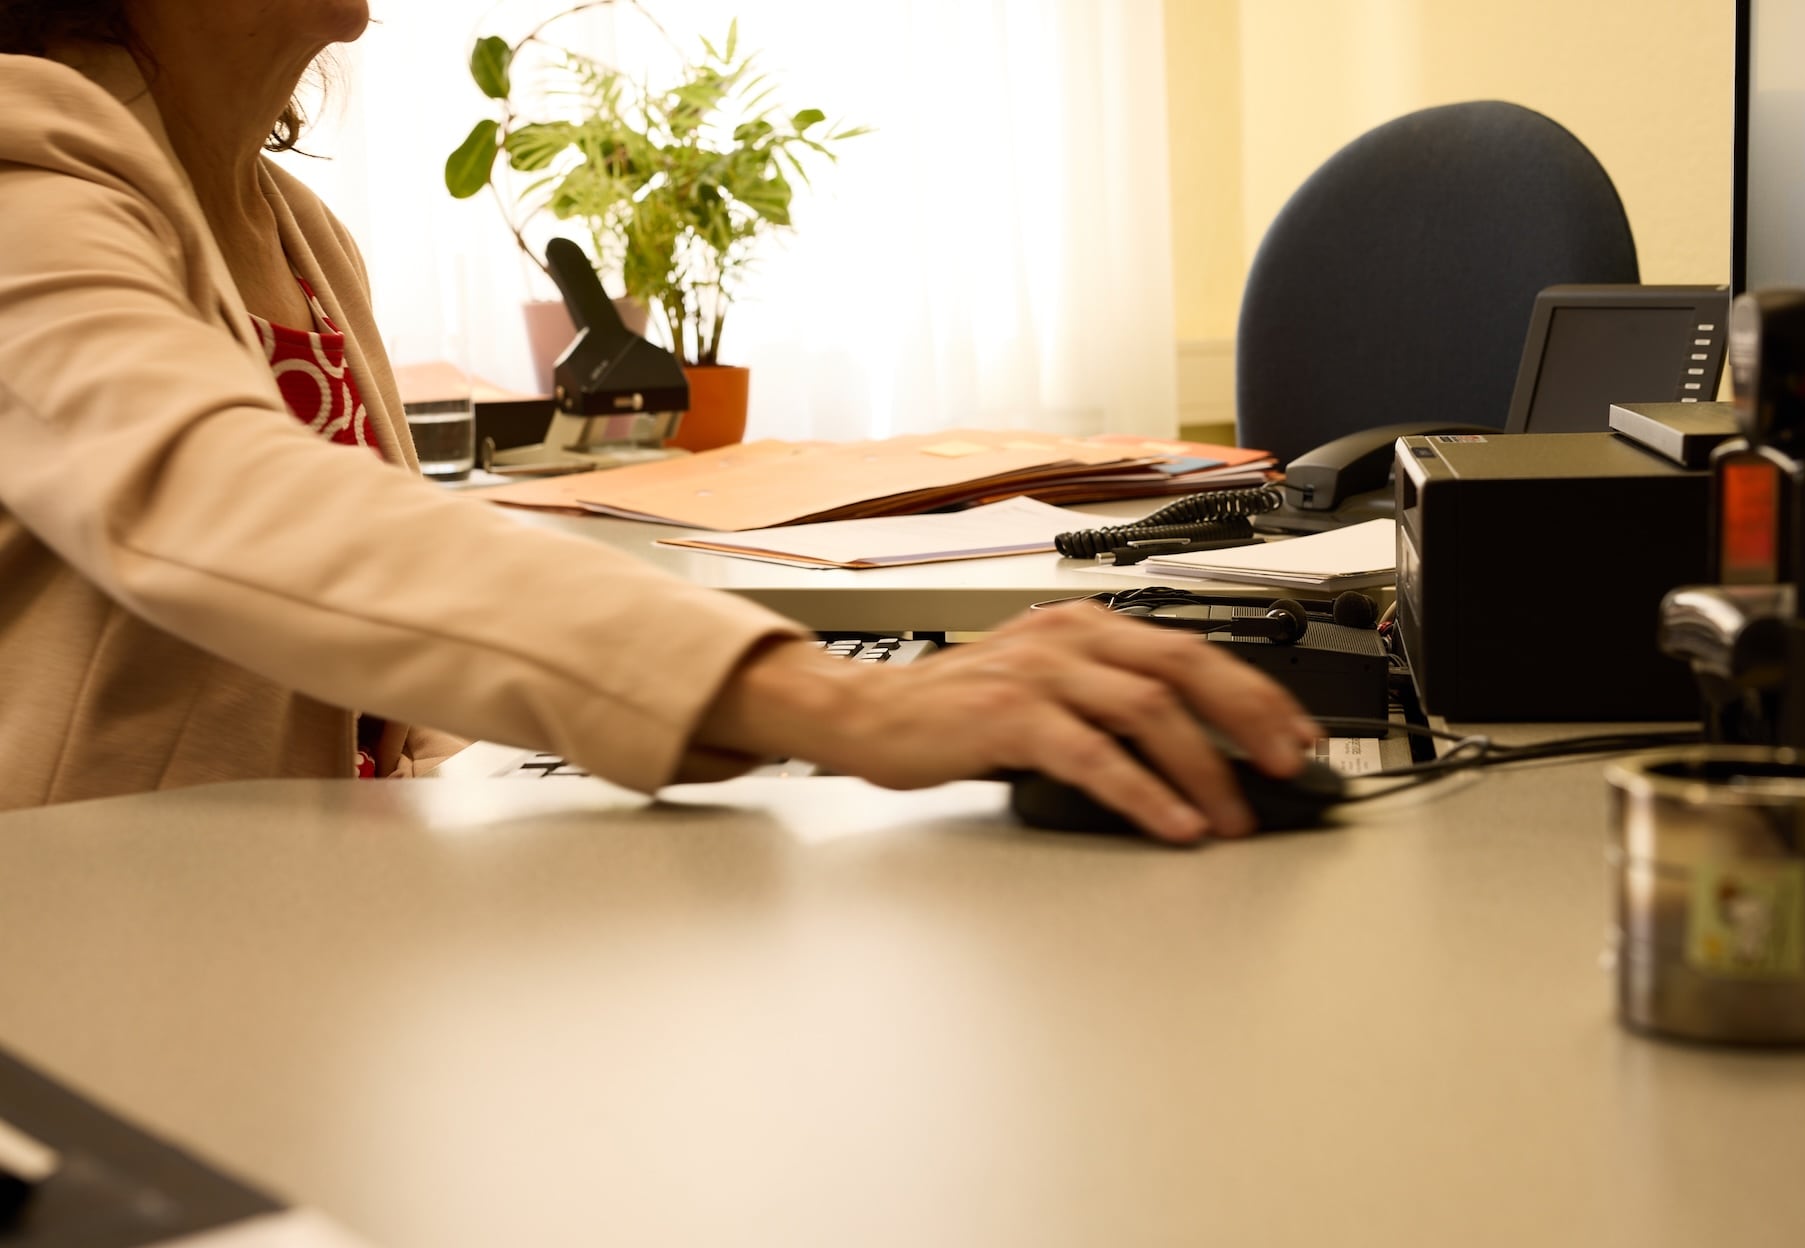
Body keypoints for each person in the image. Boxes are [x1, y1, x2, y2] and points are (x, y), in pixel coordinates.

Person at [0, 1, 1321, 844]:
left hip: (296, 919)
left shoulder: (297, 230)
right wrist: (831, 702)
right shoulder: (23, 161)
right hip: (101, 966)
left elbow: (360, 676)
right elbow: (216, 500)